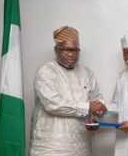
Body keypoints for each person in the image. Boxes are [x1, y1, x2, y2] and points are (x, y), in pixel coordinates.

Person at [29, 26, 107, 156]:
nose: (72, 54)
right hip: (51, 147)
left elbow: (97, 100)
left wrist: (96, 114)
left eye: (75, 50)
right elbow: (53, 104)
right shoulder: (46, 71)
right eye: (66, 49)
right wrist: (89, 107)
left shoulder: (87, 73)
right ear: (56, 49)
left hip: (82, 146)